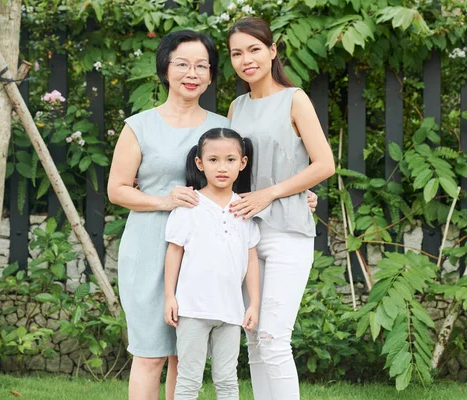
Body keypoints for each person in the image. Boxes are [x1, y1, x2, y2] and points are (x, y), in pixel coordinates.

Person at [107, 30, 230, 400]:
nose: (191, 73)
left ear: (210, 75)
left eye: (201, 65)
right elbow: (117, 190)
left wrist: (300, 197)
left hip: (203, 254)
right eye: (182, 64)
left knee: (186, 358)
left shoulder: (223, 125)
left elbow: (244, 182)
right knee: (150, 356)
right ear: (165, 69)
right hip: (148, 249)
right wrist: (165, 200)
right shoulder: (139, 125)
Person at [226, 17, 336, 400]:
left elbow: (324, 164)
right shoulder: (236, 107)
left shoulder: (295, 98)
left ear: (272, 51)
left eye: (254, 49)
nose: (246, 59)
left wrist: (274, 193)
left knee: (274, 337)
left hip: (287, 231)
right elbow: (226, 166)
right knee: (254, 337)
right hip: (246, 235)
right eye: (237, 53)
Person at [164, 128, 260, 400]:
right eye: (213, 160)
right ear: (199, 163)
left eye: (230, 160)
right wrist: (169, 296)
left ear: (242, 163)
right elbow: (174, 252)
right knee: (188, 380)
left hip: (231, 312)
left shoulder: (245, 208)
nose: (222, 167)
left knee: (228, 381)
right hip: (193, 309)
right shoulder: (189, 206)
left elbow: (251, 258)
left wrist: (253, 303)